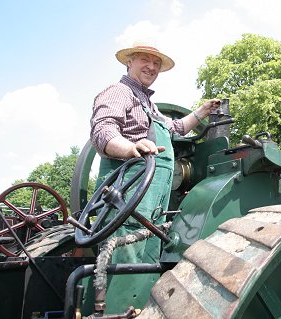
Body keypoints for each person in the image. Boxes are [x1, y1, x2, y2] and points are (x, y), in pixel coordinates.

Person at [89, 40, 221, 313]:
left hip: (153, 205)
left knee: (148, 255)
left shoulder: (148, 103)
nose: (151, 67)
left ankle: (141, 310)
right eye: (144, 60)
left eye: (156, 63)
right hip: (130, 196)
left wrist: (202, 112)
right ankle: (114, 310)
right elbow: (103, 130)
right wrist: (129, 147)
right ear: (129, 62)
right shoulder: (119, 92)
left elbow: (174, 128)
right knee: (125, 255)